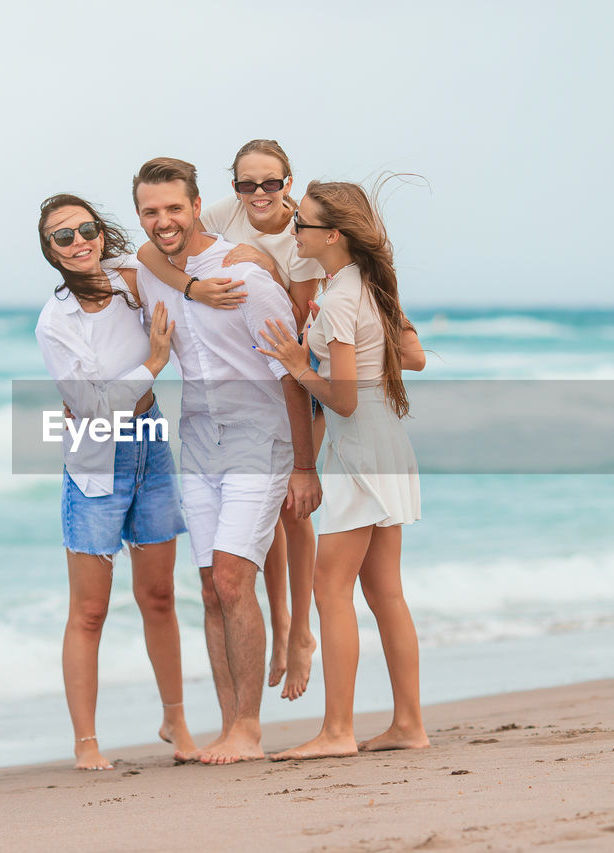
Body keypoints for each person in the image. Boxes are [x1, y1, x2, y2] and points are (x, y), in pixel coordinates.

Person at [131, 157, 321, 764]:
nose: (163, 222)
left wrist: (304, 465)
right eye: (150, 211)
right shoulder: (153, 271)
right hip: (197, 440)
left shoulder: (244, 272)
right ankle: (227, 725)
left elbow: (291, 373)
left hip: (258, 440)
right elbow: (111, 269)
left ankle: (249, 728)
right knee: (212, 585)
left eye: (173, 209)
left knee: (236, 577)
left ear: (196, 206)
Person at [257, 180, 430, 760]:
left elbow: (346, 400)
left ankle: (337, 732)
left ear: (332, 235)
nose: (291, 230)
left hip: (359, 453)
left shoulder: (339, 298)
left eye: (300, 223)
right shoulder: (366, 285)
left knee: (329, 589)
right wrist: (332, 337)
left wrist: (299, 363)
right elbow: (414, 357)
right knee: (385, 593)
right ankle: (408, 724)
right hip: (391, 447)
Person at [34, 193, 197, 770]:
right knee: (90, 611)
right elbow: (92, 406)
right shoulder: (56, 322)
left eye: (85, 229)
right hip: (94, 456)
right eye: (62, 236)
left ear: (101, 232)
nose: (78, 241)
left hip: (150, 441)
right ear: (50, 253)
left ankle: (175, 717)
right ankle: (86, 744)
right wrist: (151, 365)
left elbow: (190, 280)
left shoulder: (135, 282)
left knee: (159, 595)